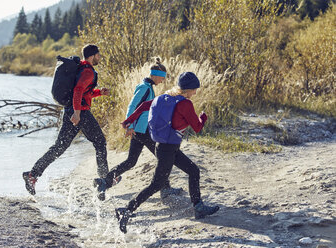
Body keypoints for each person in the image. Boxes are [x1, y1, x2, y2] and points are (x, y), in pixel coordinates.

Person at [115, 72, 220, 233]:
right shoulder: (185, 104)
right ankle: (127, 211)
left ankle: (198, 207)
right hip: (168, 149)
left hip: (164, 146)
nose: (195, 93)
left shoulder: (166, 97)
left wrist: (128, 120)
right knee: (156, 184)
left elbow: (143, 106)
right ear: (188, 89)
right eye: (194, 89)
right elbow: (198, 128)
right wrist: (203, 117)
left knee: (194, 171)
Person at [22, 44, 114, 199]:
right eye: (98, 54)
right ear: (92, 55)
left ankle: (32, 174)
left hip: (70, 111)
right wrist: (77, 113)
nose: (99, 57)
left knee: (60, 146)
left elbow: (84, 92)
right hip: (80, 113)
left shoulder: (82, 69)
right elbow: (78, 91)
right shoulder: (87, 71)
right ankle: (103, 181)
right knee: (100, 142)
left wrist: (99, 93)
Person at [93, 59, 182, 201]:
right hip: (142, 130)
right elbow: (132, 106)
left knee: (131, 161)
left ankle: (105, 182)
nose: (163, 80)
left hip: (140, 130)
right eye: (162, 77)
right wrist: (129, 125)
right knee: (162, 157)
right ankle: (165, 189)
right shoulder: (145, 88)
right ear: (155, 75)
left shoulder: (148, 87)